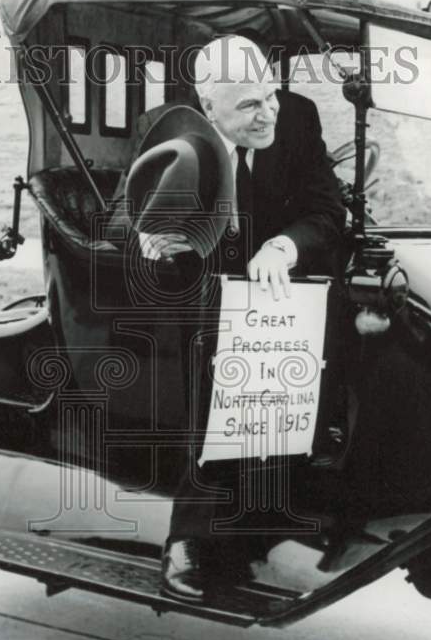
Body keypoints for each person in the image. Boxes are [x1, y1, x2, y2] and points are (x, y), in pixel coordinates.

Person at [127, 35, 347, 602]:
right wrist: (157, 239)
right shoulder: (167, 132)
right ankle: (190, 537)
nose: (268, 110)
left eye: (271, 95)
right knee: (214, 348)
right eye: (249, 104)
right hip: (189, 292)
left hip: (275, 287)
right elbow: (135, 216)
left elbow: (327, 209)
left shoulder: (297, 118)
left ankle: (279, 517)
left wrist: (283, 246)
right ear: (208, 109)